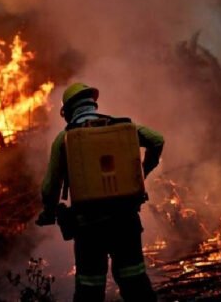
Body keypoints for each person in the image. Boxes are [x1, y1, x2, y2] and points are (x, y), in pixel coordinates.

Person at [37, 82, 164, 302]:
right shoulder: (123, 127)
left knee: (90, 288)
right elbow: (157, 140)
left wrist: (48, 212)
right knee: (135, 283)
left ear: (67, 112)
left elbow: (50, 186)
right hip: (126, 222)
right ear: (93, 104)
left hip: (89, 229)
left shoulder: (65, 138)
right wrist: (142, 172)